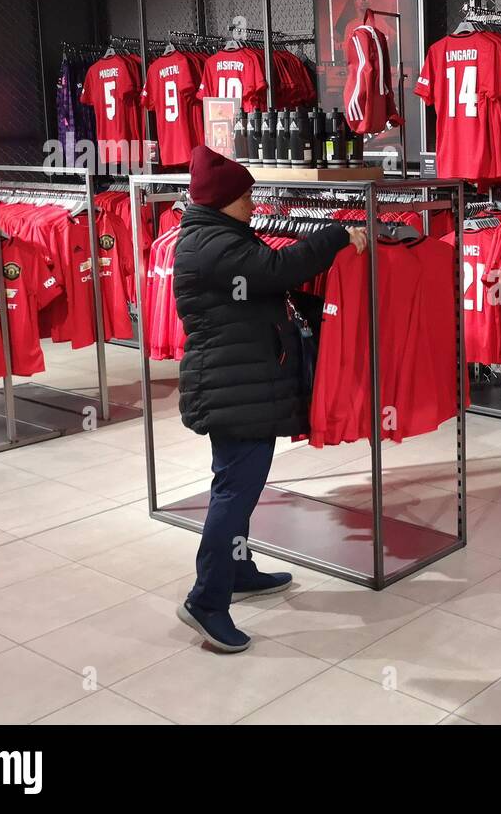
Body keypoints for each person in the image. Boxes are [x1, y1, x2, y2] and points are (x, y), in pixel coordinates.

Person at [172, 145, 366, 652]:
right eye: (248, 194)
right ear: (226, 199)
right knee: (234, 491)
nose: (254, 202)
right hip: (233, 388)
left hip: (237, 384)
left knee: (239, 486)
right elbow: (278, 271)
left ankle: (237, 570)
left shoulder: (216, 235)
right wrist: (337, 234)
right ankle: (206, 601)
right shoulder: (215, 245)